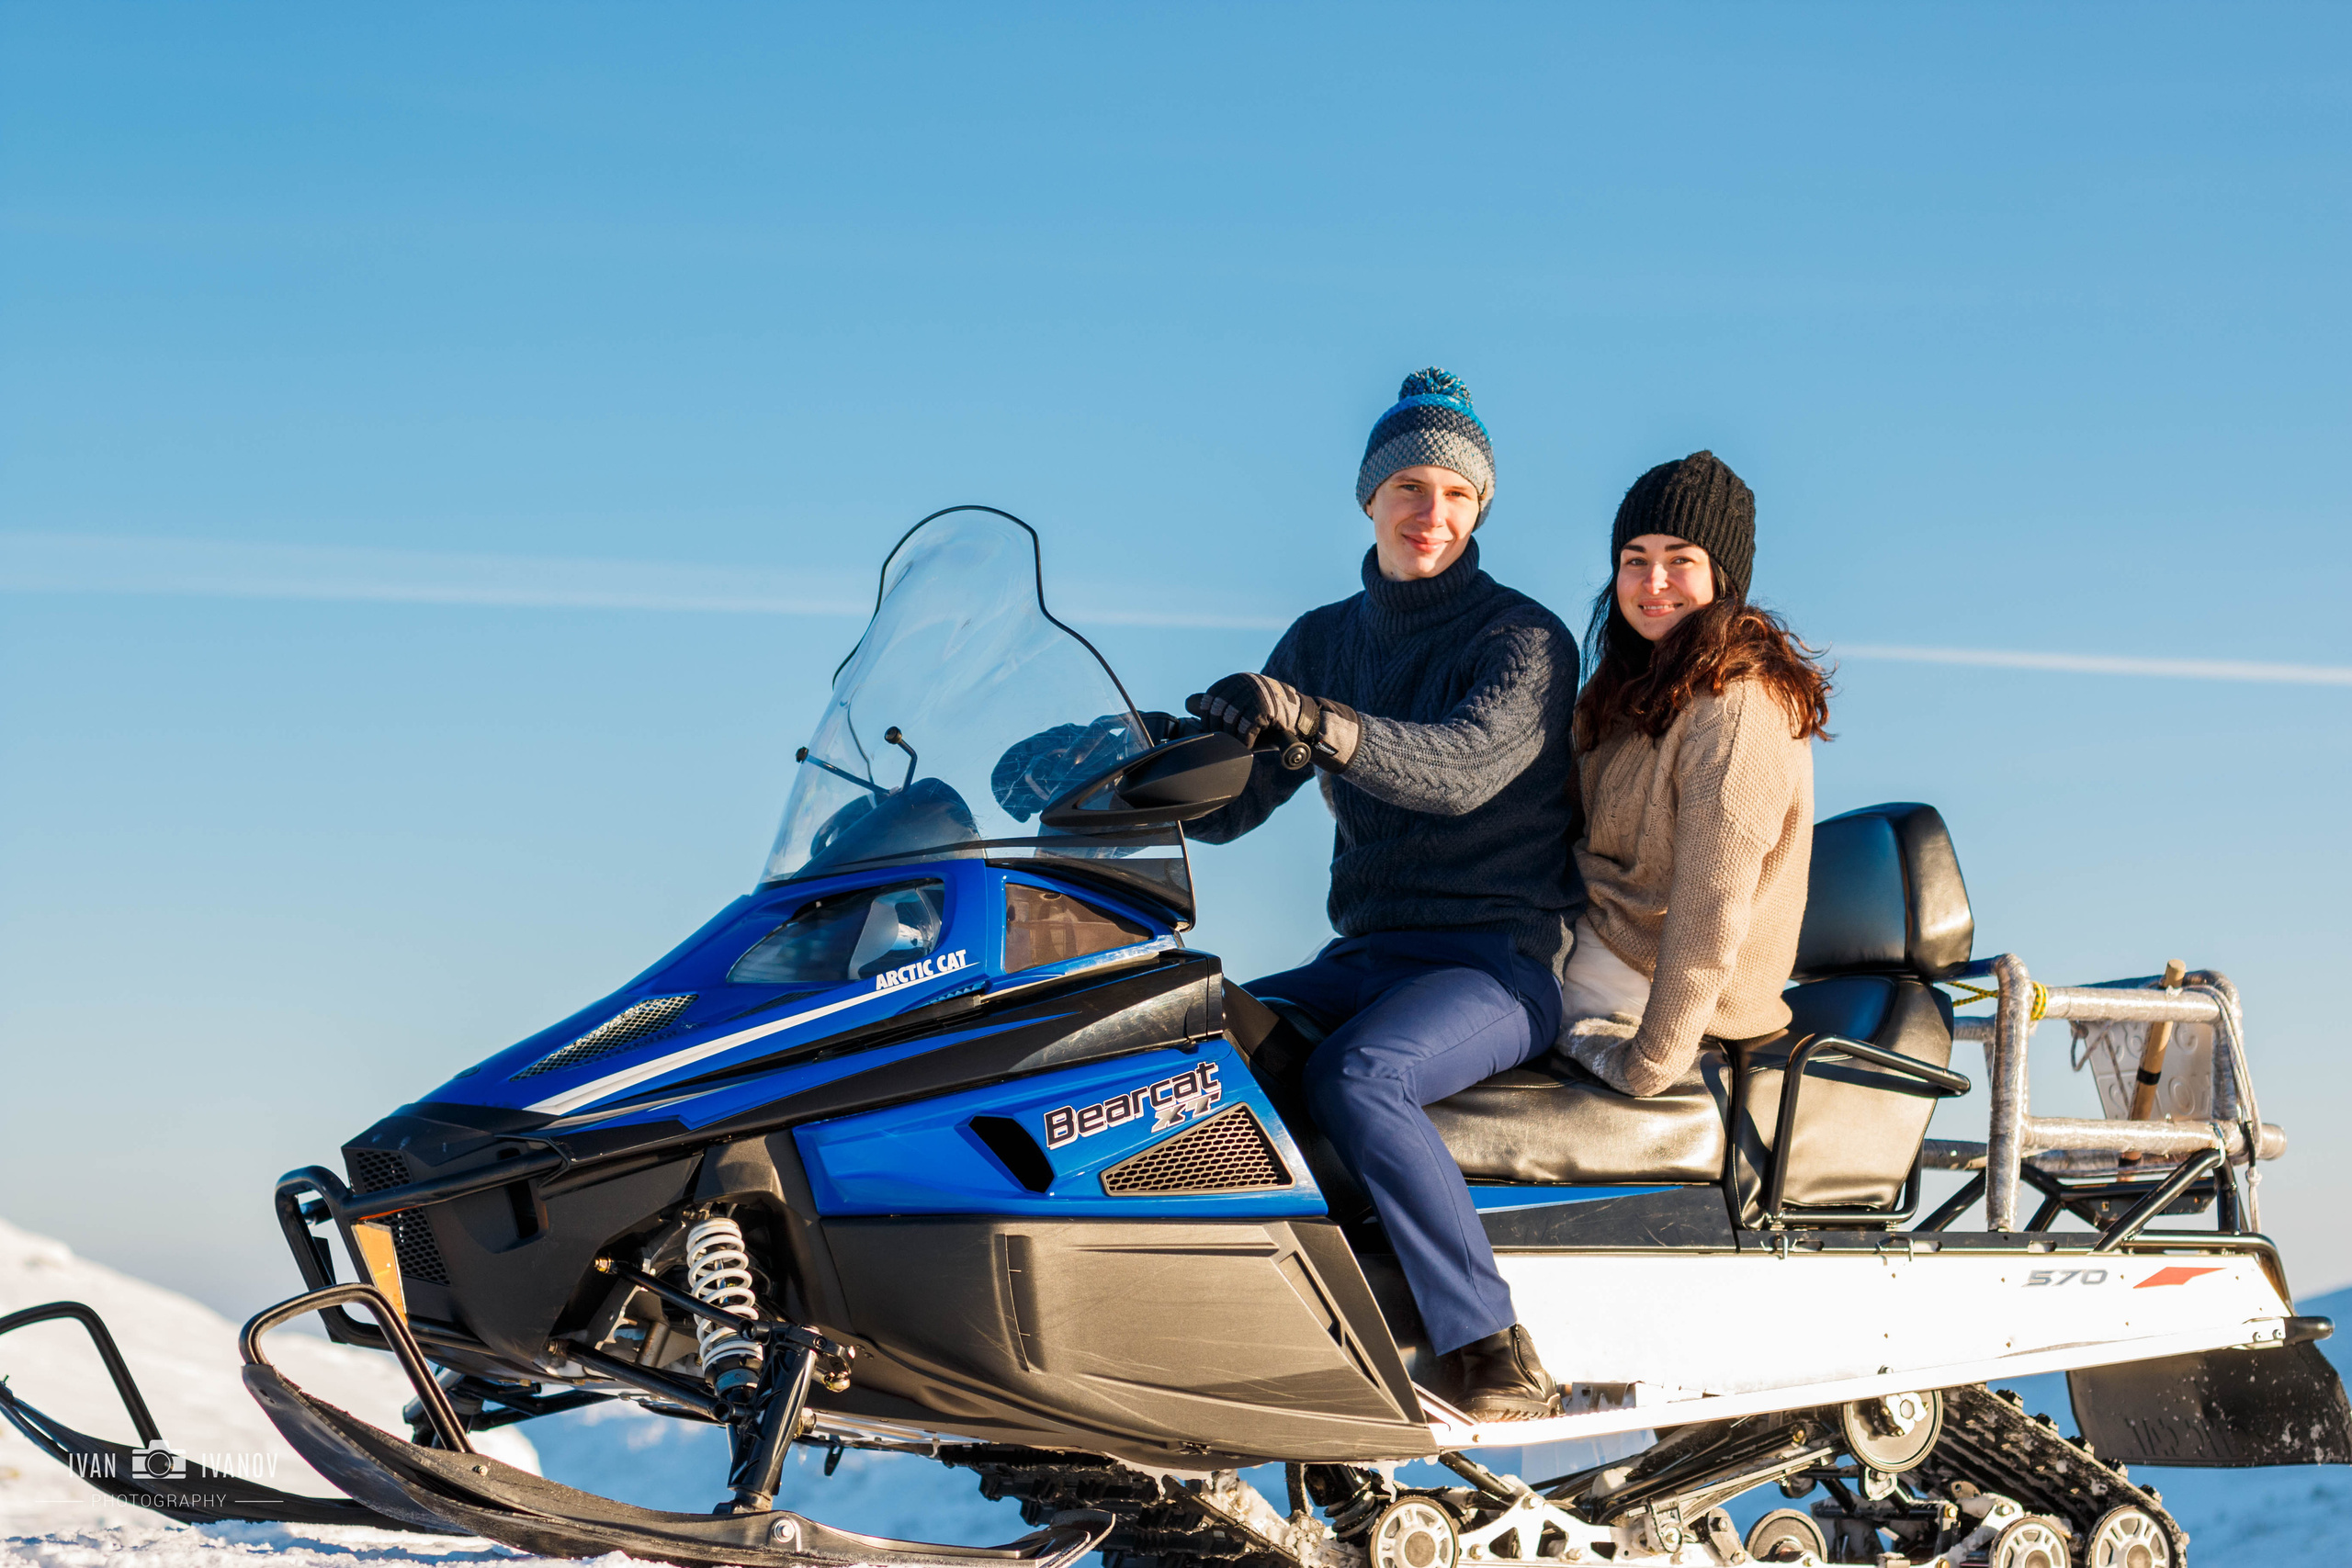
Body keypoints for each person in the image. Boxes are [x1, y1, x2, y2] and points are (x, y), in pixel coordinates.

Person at [1184, 368, 1580, 1422]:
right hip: (1363, 957)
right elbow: (1231, 808)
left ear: (1481, 508)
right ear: (1369, 499)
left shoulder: (1524, 639)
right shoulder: (1324, 639)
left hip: (1491, 961)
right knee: (1186, 1031)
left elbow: (1459, 767)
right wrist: (1127, 759)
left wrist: (1318, 724)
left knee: (1363, 1077)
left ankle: (1490, 1344)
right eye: (1410, 487)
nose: (1431, 514)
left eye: (1456, 495)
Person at [1555, 451, 1832, 1097]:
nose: (1654, 581)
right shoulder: (1628, 692)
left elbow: (1712, 904)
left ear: (1721, 577)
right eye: (1635, 559)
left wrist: (1651, 1059)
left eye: (1680, 559)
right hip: (1594, 941)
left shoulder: (1737, 706)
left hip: (1647, 980)